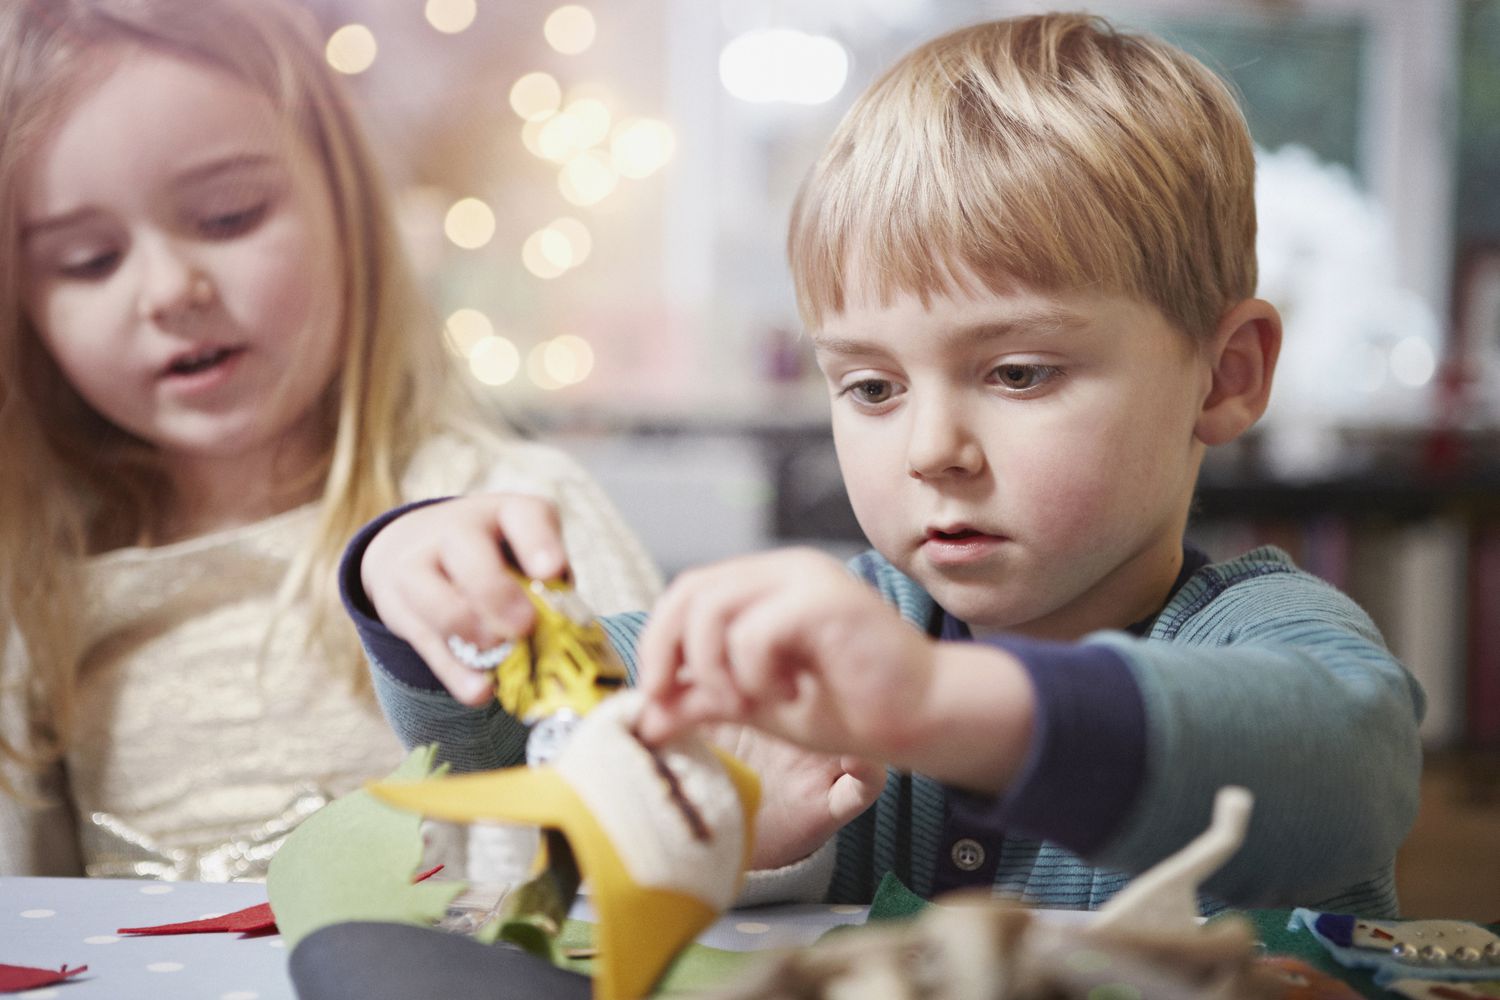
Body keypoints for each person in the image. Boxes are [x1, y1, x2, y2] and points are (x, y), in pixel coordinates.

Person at [344, 13, 1424, 916]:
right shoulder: (823, 637)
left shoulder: (1271, 637)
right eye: (871, 387)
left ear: (1225, 374)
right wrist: (421, 583)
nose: (931, 451)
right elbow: (499, 754)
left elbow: (1339, 769)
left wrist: (931, 702)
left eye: (1018, 373)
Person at [0, 0, 661, 880]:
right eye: (87, 259)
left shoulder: (515, 518)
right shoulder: (39, 585)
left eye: (229, 215)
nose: (167, 289)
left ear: (348, 210)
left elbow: (681, 813)